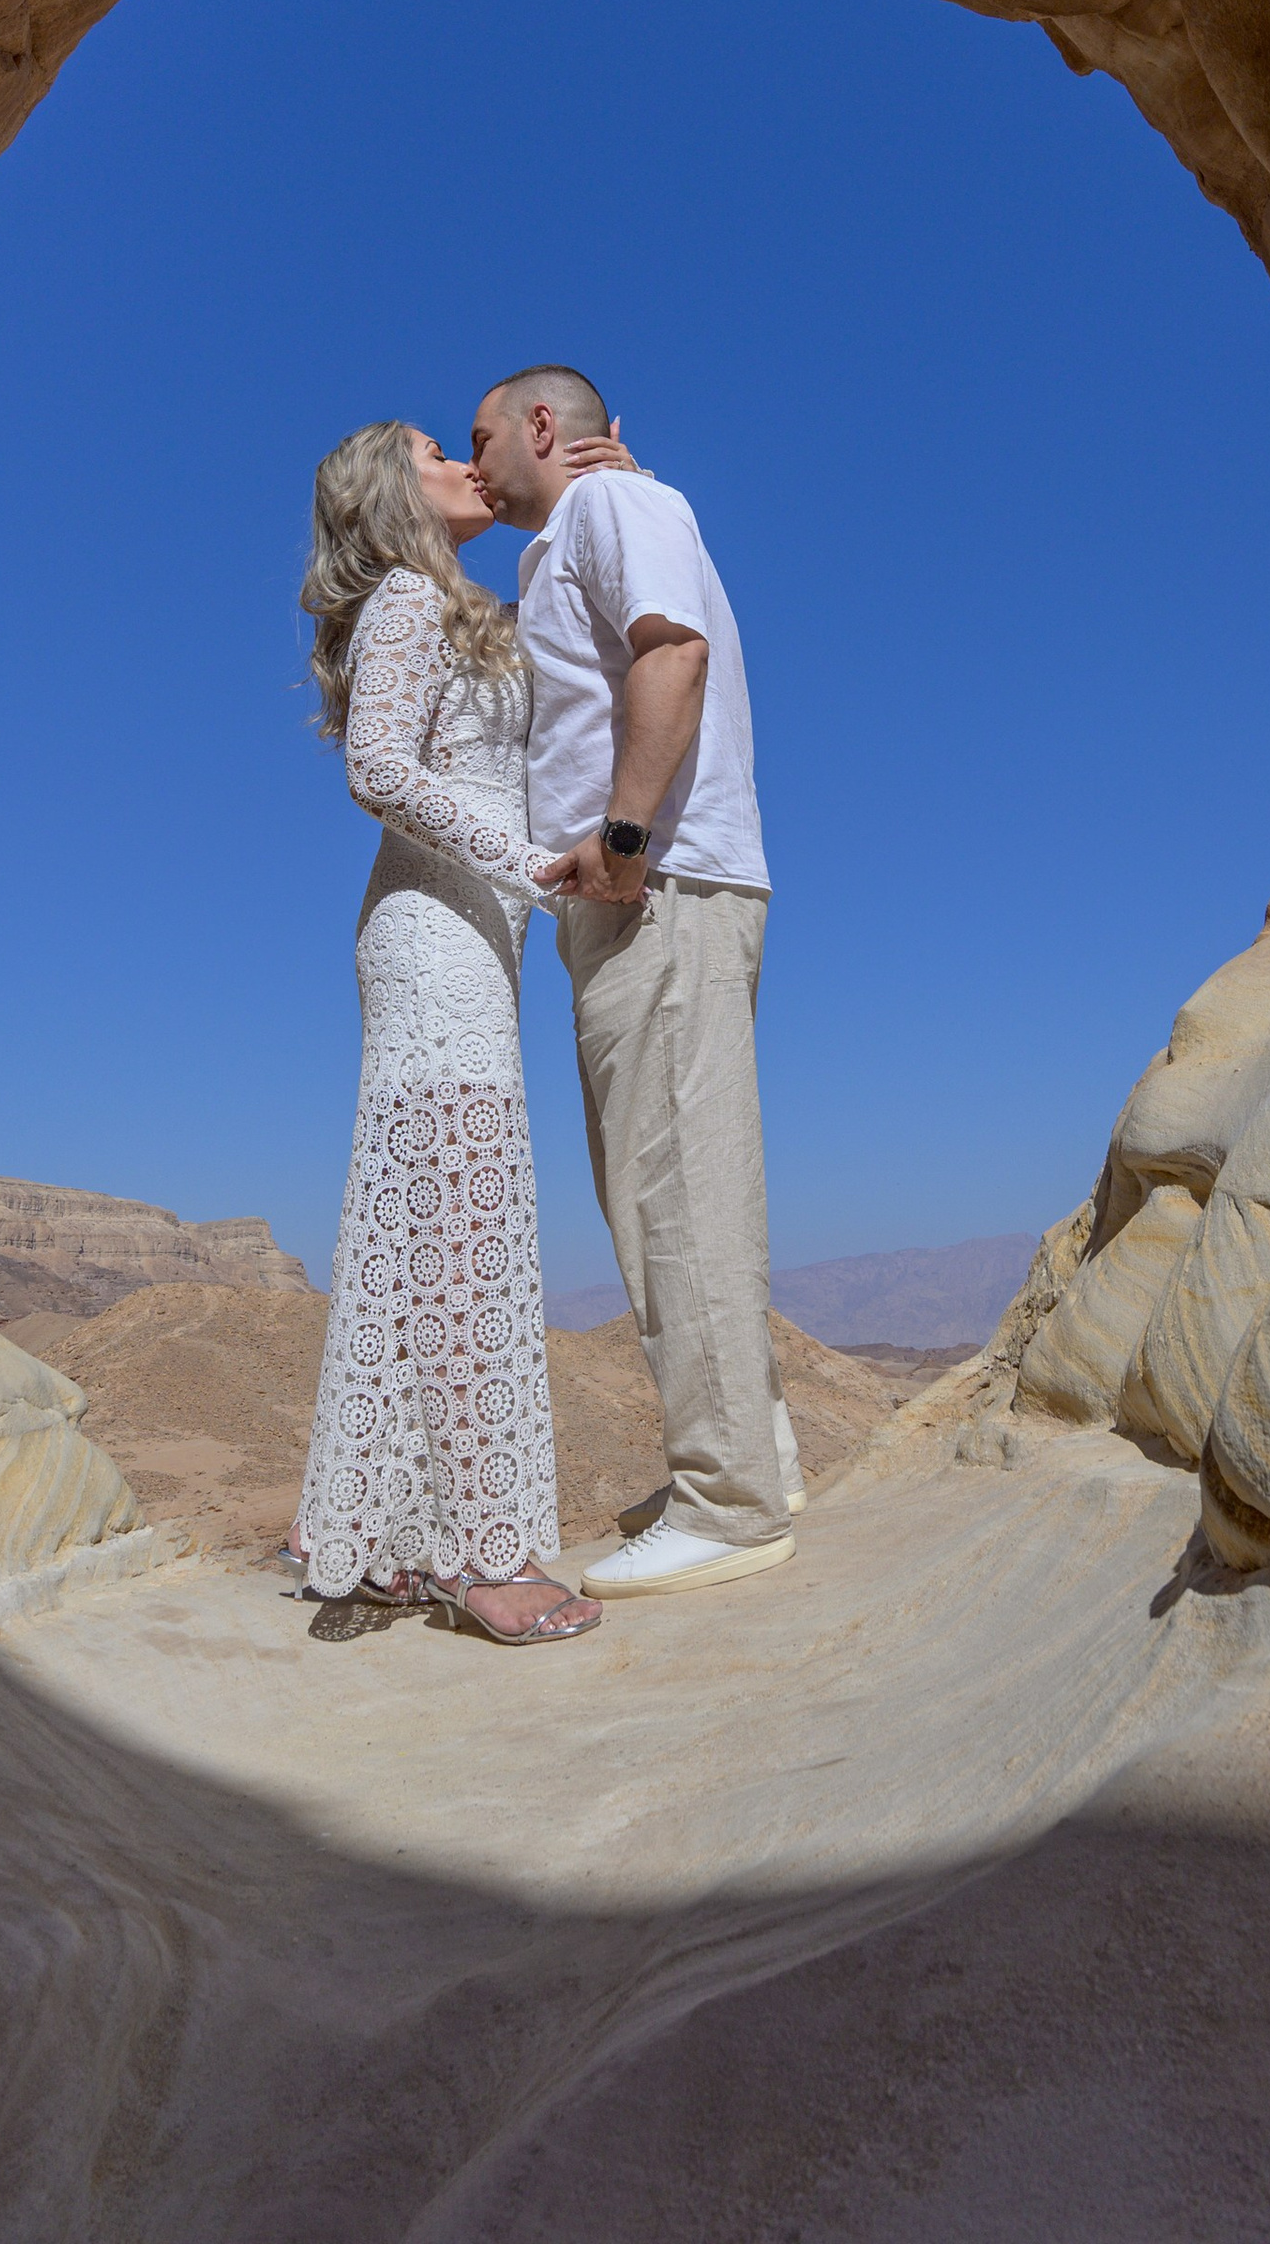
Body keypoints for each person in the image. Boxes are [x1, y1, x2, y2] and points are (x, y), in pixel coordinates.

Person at [468, 365, 801, 1601]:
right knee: (667, 1177)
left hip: (653, 885)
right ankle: (756, 1453)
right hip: (640, 890)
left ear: (542, 427)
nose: (478, 458)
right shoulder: (583, 526)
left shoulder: (615, 510)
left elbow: (673, 652)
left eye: (483, 434)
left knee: (673, 1185)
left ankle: (730, 1505)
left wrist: (620, 838)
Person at [289, 421, 601, 1646]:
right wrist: (524, 860)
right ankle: (477, 1557)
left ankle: (361, 1525)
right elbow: (376, 768)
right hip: (432, 932)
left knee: (435, 1224)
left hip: (473, 931)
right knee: (459, 1231)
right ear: (386, 494)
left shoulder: (458, 606)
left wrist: (585, 485)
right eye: (433, 451)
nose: (466, 463)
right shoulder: (406, 604)